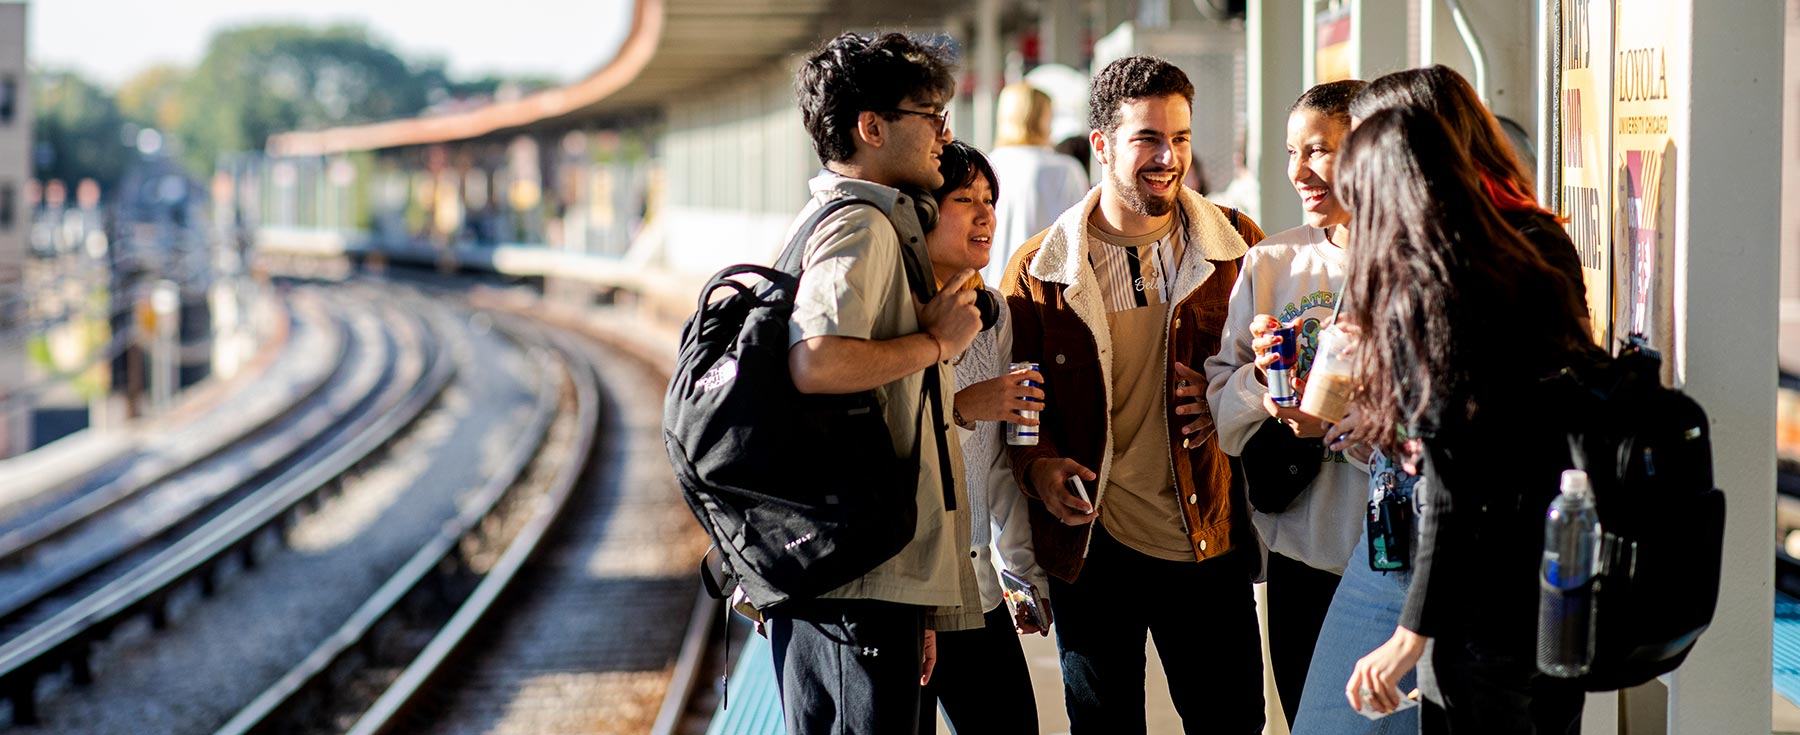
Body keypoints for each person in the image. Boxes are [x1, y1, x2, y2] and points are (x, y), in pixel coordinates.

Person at [1001, 55, 1267, 734]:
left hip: (1206, 539)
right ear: (1101, 145)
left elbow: (1279, 370)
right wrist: (1041, 465)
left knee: (1233, 722)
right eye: (1147, 139)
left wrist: (1231, 397)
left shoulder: (1239, 249)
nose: (1168, 158)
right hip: (1093, 550)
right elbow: (1017, 408)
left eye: (1179, 138)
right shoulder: (1039, 271)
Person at [1333, 106, 1595, 733]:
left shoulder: (1432, 292)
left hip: (1483, 609)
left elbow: (1451, 485)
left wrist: (1409, 634)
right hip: (1557, 580)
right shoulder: (1524, 262)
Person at [778, 31, 983, 735]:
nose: (944, 136)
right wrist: (934, 342)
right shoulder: (859, 226)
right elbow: (816, 359)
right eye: (932, 117)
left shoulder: (832, 217)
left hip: (858, 571)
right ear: (872, 127)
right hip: (856, 580)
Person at [1203, 79, 1377, 731]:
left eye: (1318, 150)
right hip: (1300, 562)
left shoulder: (1409, 264)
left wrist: (1347, 423)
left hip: (1388, 559)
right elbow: (1224, 415)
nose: (1298, 170)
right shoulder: (1271, 262)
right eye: (1290, 151)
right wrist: (1265, 383)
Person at [916, 139, 1049, 735]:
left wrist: (1022, 573)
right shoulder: (893, 311)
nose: (985, 214)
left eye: (990, 199)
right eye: (963, 199)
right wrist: (963, 408)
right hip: (904, 590)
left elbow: (998, 467)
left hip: (974, 586)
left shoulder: (992, 312)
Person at [1347, 65, 1587, 321]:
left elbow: (1567, 349)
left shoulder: (1528, 241)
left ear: (1418, 147)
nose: (1355, 170)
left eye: (1367, 149)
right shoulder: (1397, 240)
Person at [984, 82, 1092, 287]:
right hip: (1045, 293)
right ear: (1044, 117)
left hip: (990, 292)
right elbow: (1080, 239)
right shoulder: (1064, 169)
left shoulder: (987, 165)